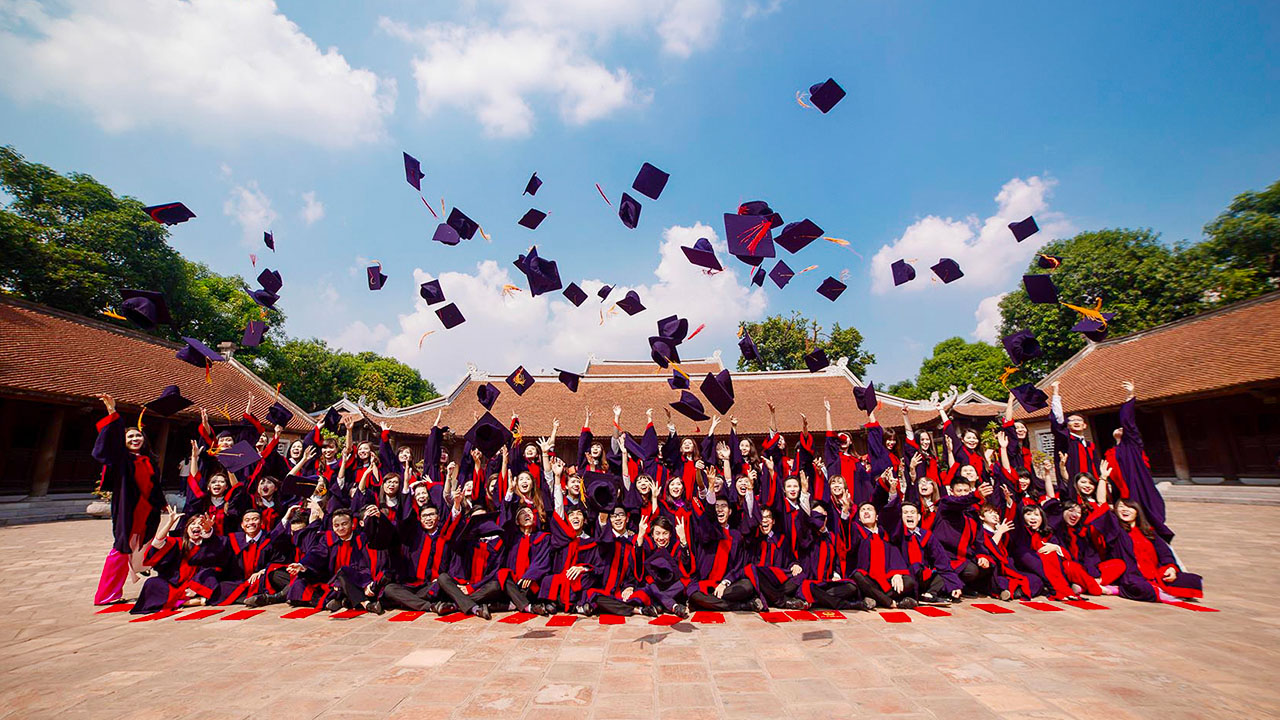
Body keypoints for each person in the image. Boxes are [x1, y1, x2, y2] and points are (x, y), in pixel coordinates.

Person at [91, 393, 166, 605]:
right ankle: (106, 595)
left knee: (142, 546)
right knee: (121, 548)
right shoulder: (122, 460)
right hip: (127, 508)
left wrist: (163, 504)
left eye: (138, 436)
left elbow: (155, 486)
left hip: (146, 510)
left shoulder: (149, 461)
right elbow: (106, 447)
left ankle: (135, 577)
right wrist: (113, 413)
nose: (135, 439)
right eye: (130, 437)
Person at [131, 505, 224, 614]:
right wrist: (170, 522)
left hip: (197, 583)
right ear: (186, 528)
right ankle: (186, 602)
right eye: (193, 524)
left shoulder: (209, 544)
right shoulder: (177, 542)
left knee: (211, 577)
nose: (197, 526)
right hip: (175, 583)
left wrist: (208, 531)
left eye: (201, 524)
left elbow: (216, 554)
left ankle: (182, 600)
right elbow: (157, 543)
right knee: (152, 583)